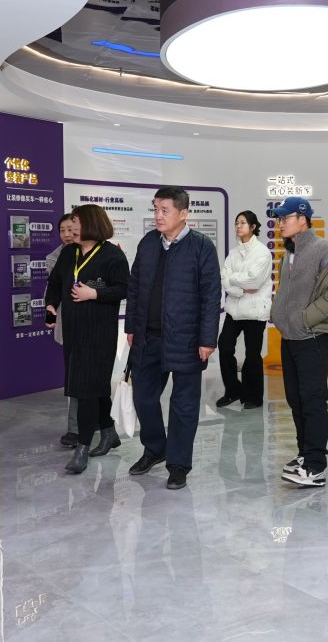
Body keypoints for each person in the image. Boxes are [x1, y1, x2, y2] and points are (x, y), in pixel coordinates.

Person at [124, 186, 221, 490]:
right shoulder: (148, 243)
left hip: (187, 340)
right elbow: (134, 287)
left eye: (164, 210)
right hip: (147, 337)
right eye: (155, 209)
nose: (158, 215)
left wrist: (207, 339)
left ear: (183, 213)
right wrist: (131, 327)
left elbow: (211, 295)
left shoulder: (201, 246)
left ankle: (178, 464)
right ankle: (155, 448)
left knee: (184, 405)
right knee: (143, 397)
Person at [269, 196, 328, 488]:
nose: (280, 223)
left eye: (286, 218)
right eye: (279, 219)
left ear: (303, 219)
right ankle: (304, 454)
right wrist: (281, 316)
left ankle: (316, 465)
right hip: (290, 336)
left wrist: (307, 318)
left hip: (313, 336)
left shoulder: (325, 249)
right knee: (295, 399)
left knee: (312, 400)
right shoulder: (289, 253)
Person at [44, 205, 130, 473]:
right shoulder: (69, 252)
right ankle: (109, 432)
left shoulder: (112, 255)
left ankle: (82, 447)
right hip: (73, 331)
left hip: (99, 334)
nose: (72, 228)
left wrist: (95, 294)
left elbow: (125, 288)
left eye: (77, 222)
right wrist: (50, 305)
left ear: (92, 224)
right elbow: (55, 282)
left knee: (85, 390)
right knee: (95, 386)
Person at [217, 210, 272, 410]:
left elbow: (254, 281)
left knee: (252, 354)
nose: (238, 226)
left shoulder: (262, 252)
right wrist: (240, 288)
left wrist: (235, 281)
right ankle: (233, 390)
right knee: (224, 346)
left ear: (253, 227)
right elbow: (225, 279)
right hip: (235, 309)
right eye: (236, 223)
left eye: (242, 223)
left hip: (255, 311)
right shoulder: (233, 253)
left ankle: (253, 397)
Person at [48, 213, 82, 447]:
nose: (67, 234)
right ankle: (77, 427)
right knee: (75, 375)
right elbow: (54, 289)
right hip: (68, 323)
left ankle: (87, 424)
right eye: (63, 230)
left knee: (85, 377)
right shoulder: (56, 258)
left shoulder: (98, 253)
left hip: (90, 325)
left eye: (71, 229)